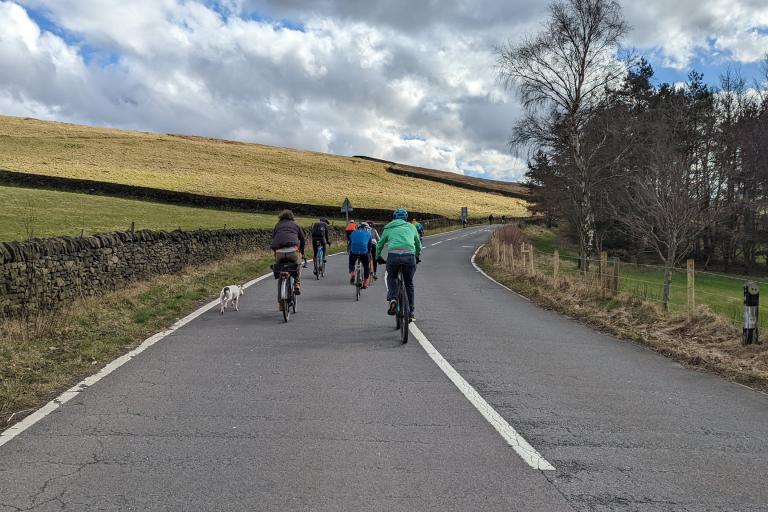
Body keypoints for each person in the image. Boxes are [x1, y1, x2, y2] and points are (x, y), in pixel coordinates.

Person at [375, 208, 421, 321]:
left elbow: (380, 244)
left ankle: (393, 299)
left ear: (394, 217)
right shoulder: (412, 227)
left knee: (391, 277)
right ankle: (411, 312)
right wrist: (417, 255)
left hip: (393, 257)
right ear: (406, 218)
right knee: (409, 283)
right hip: (409, 256)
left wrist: (377, 257)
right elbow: (418, 243)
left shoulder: (389, 227)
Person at [271, 209, 305, 296]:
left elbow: (274, 238)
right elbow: (302, 239)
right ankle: (297, 284)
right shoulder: (296, 224)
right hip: (292, 252)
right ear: (292, 217)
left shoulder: (277, 225)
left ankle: (281, 303)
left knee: (280, 269)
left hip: (279, 253)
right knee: (298, 265)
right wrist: (302, 252)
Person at [348, 223, 373, 288]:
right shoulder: (368, 234)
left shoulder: (353, 233)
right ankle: (365, 283)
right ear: (365, 228)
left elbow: (350, 243)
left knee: (351, 263)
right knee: (366, 266)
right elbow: (369, 246)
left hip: (354, 252)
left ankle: (353, 273)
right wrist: (369, 253)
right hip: (364, 252)